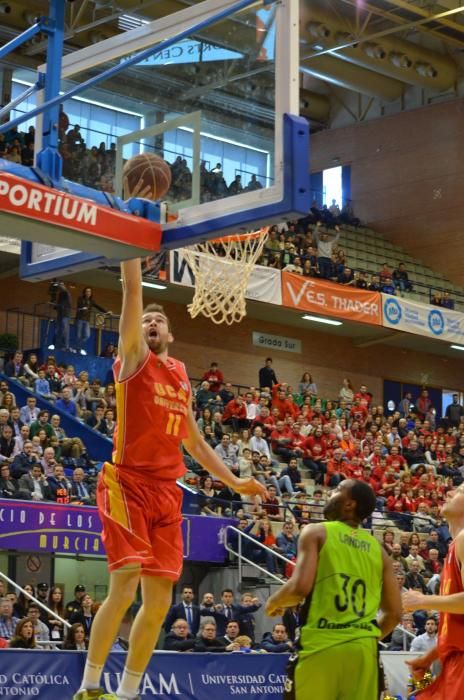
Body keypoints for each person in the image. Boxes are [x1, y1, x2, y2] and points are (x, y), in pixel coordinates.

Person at [73, 253, 266, 700]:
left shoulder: (180, 377)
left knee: (159, 602)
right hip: (126, 482)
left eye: (159, 319)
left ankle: (129, 692)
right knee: (124, 587)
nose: (151, 323)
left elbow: (195, 444)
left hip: (166, 491)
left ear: (171, 334)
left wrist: (235, 482)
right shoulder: (134, 359)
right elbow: (133, 292)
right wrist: (131, 249)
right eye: (146, 320)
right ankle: (89, 685)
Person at [265, 480, 401, 700]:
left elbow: (299, 588)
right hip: (363, 651)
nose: (330, 493)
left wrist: (274, 602)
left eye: (337, 490)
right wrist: (359, 638)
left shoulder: (316, 532)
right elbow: (394, 614)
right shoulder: (379, 550)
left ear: (349, 504)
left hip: (321, 645)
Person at [403, 485, 464, 699]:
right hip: (452, 659)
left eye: (460, 491)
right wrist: (429, 657)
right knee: (420, 693)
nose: (448, 493)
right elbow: (458, 625)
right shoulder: (454, 547)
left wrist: (422, 600)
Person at [75, 286, 108, 355]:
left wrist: (106, 312)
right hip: (79, 319)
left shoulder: (91, 301)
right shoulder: (80, 298)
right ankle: (78, 350)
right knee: (78, 336)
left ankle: (77, 347)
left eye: (89, 291)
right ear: (84, 292)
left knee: (87, 335)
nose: (88, 293)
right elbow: (78, 308)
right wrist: (82, 308)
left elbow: (98, 307)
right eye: (87, 291)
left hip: (87, 320)